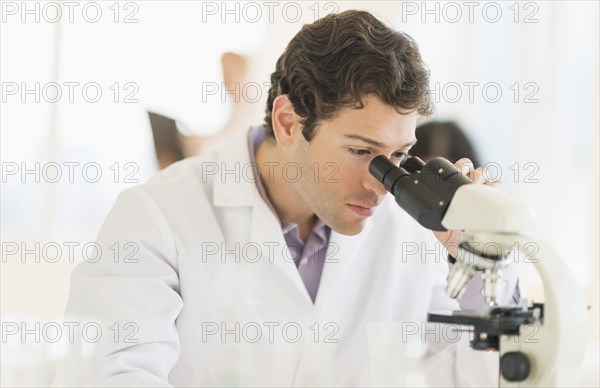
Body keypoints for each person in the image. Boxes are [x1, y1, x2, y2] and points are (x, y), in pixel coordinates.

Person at [58, 10, 520, 387]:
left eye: (398, 155)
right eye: (362, 152)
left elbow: (471, 378)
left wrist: (482, 265)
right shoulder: (156, 218)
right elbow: (107, 376)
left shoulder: (412, 233)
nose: (381, 182)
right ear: (287, 121)